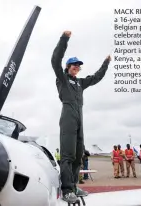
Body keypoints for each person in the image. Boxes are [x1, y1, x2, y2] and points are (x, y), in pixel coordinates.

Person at [51, 30, 111, 203]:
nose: (76, 67)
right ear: (68, 67)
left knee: (78, 156)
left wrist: (106, 63)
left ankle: (74, 186)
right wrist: (64, 39)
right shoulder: (62, 78)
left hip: (80, 119)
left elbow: (96, 77)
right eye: (74, 65)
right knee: (68, 155)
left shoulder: (80, 83)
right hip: (68, 116)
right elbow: (55, 60)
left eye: (78, 65)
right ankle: (67, 189)